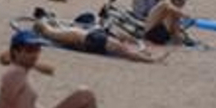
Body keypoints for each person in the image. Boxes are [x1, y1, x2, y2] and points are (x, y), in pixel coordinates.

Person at [0, 31, 99, 108]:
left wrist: (32, 64)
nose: (34, 54)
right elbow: (4, 104)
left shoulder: (20, 69)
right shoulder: (15, 74)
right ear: (16, 52)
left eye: (37, 49)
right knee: (85, 94)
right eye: (29, 50)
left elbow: (49, 70)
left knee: (84, 94)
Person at [32, 19, 169, 64]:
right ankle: (150, 60)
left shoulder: (55, 31)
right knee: (123, 51)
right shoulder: (51, 32)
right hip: (89, 38)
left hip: (90, 37)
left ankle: (145, 55)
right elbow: (52, 32)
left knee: (121, 46)